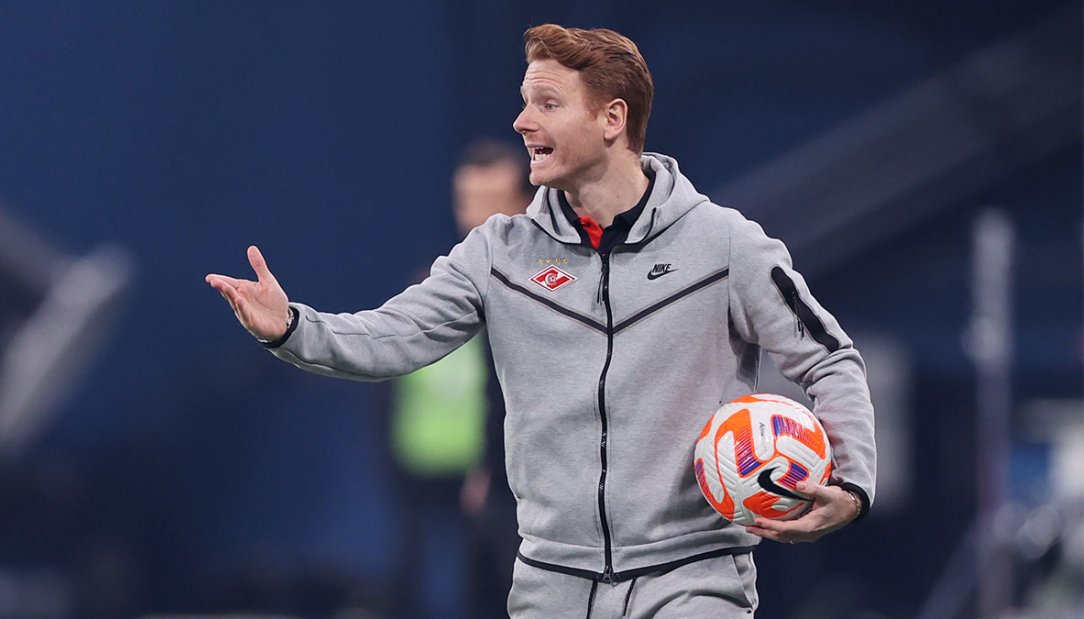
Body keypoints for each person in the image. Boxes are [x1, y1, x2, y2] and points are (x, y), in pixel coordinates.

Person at [207, 24, 875, 618]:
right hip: (552, 584)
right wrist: (292, 327)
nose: (522, 121)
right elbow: (391, 337)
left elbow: (829, 358)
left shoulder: (724, 245)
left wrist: (849, 483)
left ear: (612, 118)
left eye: (547, 103)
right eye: (525, 102)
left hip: (693, 577)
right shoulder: (497, 254)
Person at [385, 140, 530, 619]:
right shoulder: (446, 287)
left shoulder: (554, 283)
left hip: (532, 484)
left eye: (491, 201)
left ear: (523, 201)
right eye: (467, 202)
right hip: (453, 474)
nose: (477, 216)